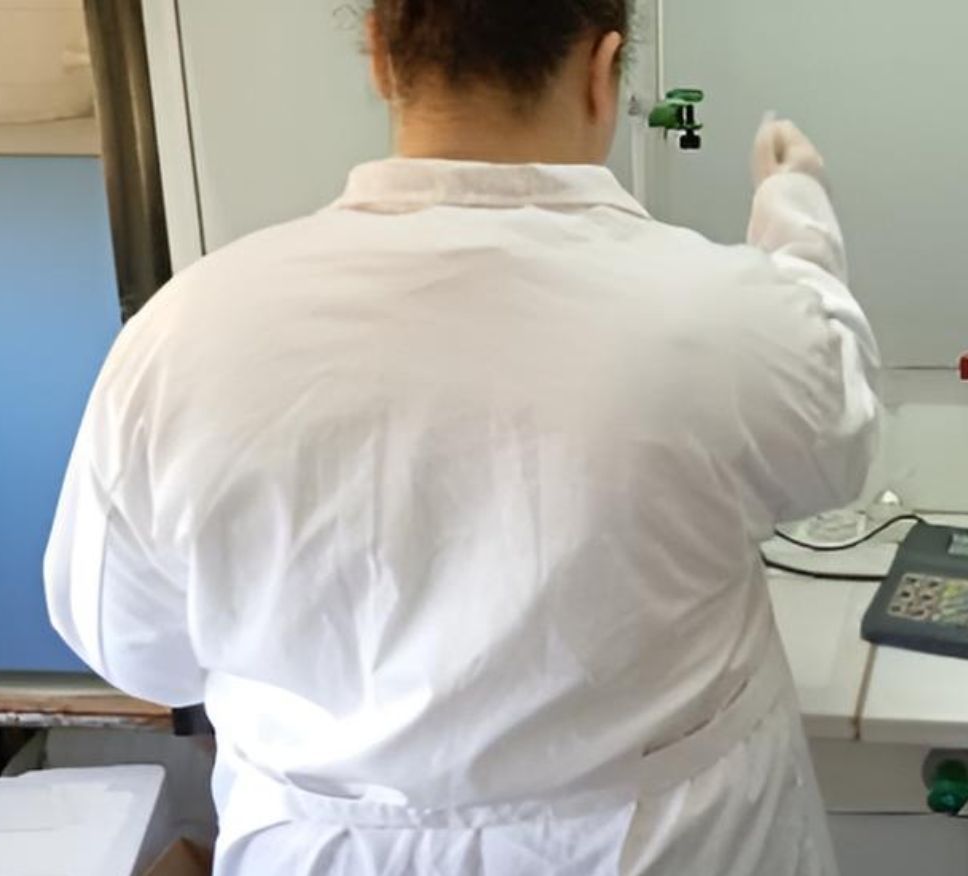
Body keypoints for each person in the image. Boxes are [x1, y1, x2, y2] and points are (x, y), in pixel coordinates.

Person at [43, 2, 875, 873]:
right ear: (604, 68)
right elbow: (836, 440)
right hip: (672, 850)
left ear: (379, 57)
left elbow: (137, 650)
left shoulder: (184, 334)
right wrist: (798, 226)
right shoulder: (728, 314)